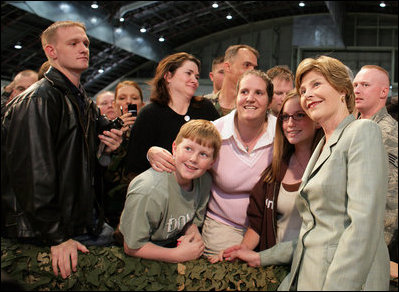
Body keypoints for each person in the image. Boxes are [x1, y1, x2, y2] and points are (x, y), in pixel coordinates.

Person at [224, 55, 390, 290]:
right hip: (309, 276)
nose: (307, 94)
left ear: (342, 89)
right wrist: (261, 257)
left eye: (316, 84)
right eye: (302, 90)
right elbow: (313, 232)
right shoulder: (322, 147)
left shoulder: (363, 131)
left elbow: (363, 227)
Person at [1, 21, 123, 279]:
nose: (84, 48)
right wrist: (57, 236)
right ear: (51, 52)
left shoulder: (81, 100)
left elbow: (83, 166)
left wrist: (107, 149)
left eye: (86, 43)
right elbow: (34, 175)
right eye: (73, 43)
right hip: (47, 229)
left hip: (81, 220)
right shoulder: (39, 99)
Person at [119, 119, 221, 263]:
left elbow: (190, 221)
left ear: (212, 162)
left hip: (170, 244)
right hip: (138, 254)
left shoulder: (204, 181)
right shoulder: (149, 190)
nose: (193, 159)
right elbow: (131, 247)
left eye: (203, 154)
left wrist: (192, 233)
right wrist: (176, 255)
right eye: (188, 148)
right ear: (174, 147)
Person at [240, 90, 323, 253]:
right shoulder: (275, 171)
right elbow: (257, 225)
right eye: (285, 117)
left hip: (313, 266)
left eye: (299, 115)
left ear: (316, 120)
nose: (290, 123)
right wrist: (240, 251)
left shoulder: (329, 166)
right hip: (274, 266)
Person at [125, 52, 220, 178]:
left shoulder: (205, 108)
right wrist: (149, 154)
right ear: (168, 76)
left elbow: (220, 145)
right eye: (189, 73)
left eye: (196, 77)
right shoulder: (150, 114)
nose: (195, 81)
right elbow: (133, 162)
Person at [353, 65, 398, 280]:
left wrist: (376, 249)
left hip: (371, 248)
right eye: (355, 85)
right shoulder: (355, 125)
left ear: (383, 92)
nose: (357, 90)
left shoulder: (387, 133)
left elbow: (390, 199)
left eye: (365, 85)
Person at [102, 81, 146, 228]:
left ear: (143, 104)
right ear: (114, 105)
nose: (128, 101)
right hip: (112, 208)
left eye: (134, 98)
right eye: (122, 98)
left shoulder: (150, 133)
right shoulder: (105, 133)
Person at [212, 44, 259, 116]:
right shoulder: (203, 105)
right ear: (228, 67)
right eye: (247, 65)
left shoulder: (256, 108)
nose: (252, 71)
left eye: (254, 67)